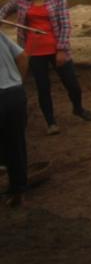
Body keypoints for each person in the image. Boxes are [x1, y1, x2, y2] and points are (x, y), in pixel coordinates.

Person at [0, 0, 91, 134]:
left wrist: (61, 50)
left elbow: (65, 24)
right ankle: (51, 122)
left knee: (72, 84)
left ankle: (78, 108)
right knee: (42, 87)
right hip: (33, 50)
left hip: (55, 47)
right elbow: (4, 10)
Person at [0, 29, 30, 207]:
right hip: (14, 94)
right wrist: (18, 82)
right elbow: (22, 57)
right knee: (16, 144)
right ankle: (18, 190)